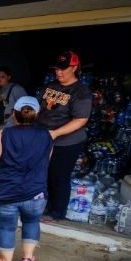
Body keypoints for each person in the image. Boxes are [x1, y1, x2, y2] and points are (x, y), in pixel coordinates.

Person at [0, 96, 54, 261]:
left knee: (6, 227)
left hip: (8, 191)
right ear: (36, 114)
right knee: (32, 221)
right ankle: (28, 258)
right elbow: (46, 161)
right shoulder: (47, 135)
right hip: (35, 192)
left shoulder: (5, 134)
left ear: (14, 114)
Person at [37, 51, 92, 222]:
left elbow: (81, 119)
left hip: (67, 142)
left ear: (75, 67)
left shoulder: (81, 92)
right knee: (43, 173)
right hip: (44, 138)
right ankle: (44, 205)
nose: (59, 72)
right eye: (56, 69)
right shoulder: (51, 86)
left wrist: (55, 133)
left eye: (64, 69)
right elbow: (40, 108)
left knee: (59, 175)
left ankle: (57, 212)